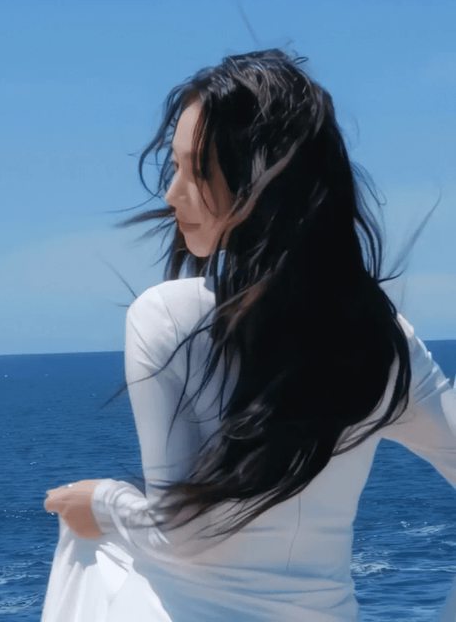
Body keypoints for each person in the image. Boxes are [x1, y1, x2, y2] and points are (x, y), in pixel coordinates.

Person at [42, 48, 456, 621]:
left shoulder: (168, 315)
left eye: (196, 171)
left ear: (258, 184)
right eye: (173, 167)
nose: (171, 194)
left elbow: (182, 535)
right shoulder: (383, 339)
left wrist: (103, 503)